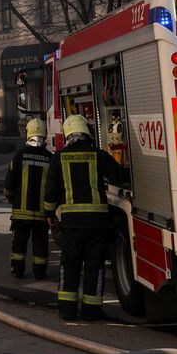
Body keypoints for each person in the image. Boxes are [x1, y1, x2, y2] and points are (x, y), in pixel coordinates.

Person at [43, 113, 127, 321]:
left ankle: (67, 310)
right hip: (97, 223)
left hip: (71, 224)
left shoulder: (59, 158)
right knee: (94, 266)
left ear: (68, 134)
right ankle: (91, 311)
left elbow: (50, 191)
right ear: (86, 133)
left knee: (69, 266)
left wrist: (50, 215)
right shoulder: (98, 155)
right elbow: (118, 176)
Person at [4, 118, 52, 279]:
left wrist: (9, 196)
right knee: (41, 243)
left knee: (19, 243)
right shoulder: (49, 157)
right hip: (41, 213)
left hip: (20, 212)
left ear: (28, 134)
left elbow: (9, 181)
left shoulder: (19, 155)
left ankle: (17, 270)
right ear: (44, 135)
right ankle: (40, 272)